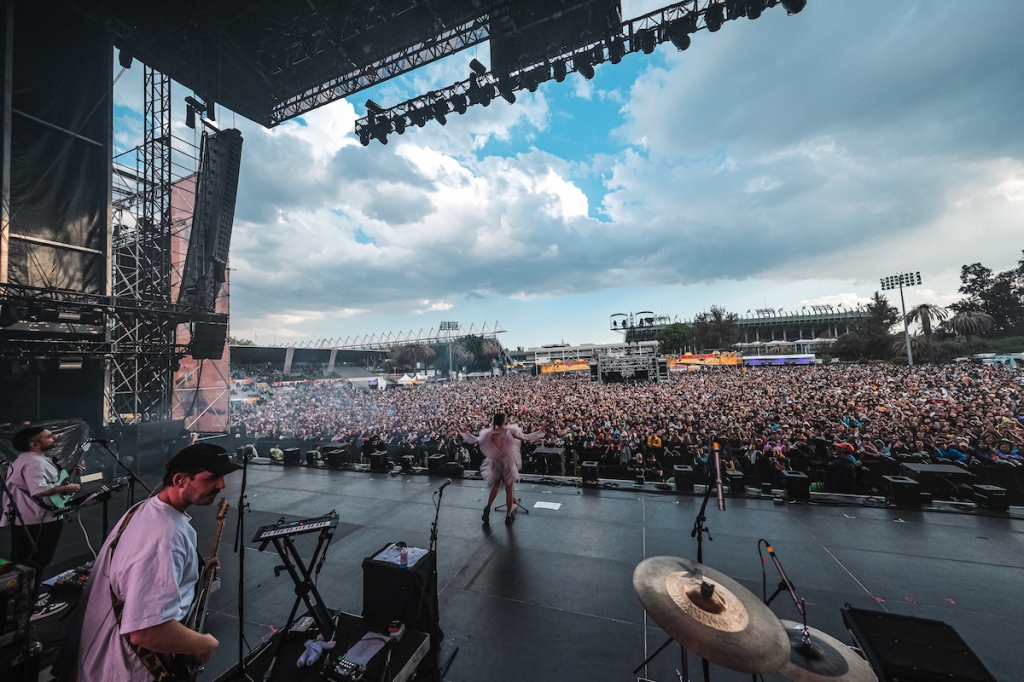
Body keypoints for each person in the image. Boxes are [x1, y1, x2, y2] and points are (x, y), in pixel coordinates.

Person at [77, 443, 241, 682]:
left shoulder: (144, 510)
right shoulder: (164, 537)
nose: (221, 485)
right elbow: (147, 632)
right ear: (180, 480)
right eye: (212, 478)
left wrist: (195, 567)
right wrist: (204, 644)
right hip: (132, 671)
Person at [1, 426, 82, 617]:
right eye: (48, 436)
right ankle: (26, 608)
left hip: (31, 520)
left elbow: (45, 484)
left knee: (27, 563)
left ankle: (21, 604)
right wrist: (68, 488)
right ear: (35, 444)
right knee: (35, 564)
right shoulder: (34, 463)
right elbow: (38, 491)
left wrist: (69, 473)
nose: (53, 437)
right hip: (38, 521)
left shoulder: (30, 460)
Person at [461, 413, 544, 525]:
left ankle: (488, 506)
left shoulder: (490, 433)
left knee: (496, 485)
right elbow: (526, 437)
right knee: (509, 489)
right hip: (508, 463)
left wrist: (466, 433)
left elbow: (475, 439)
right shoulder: (509, 431)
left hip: (496, 462)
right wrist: (540, 432)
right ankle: (508, 515)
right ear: (504, 421)